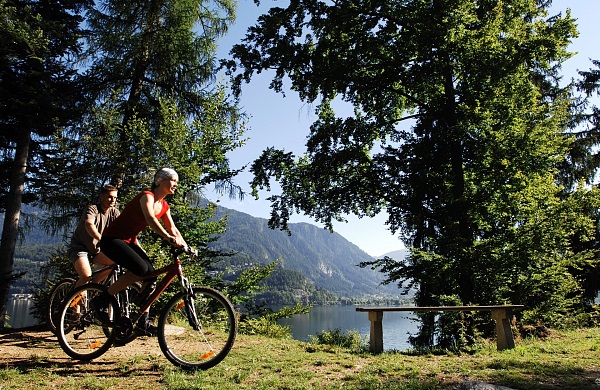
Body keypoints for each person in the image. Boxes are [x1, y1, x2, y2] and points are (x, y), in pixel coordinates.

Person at [91, 167, 187, 336]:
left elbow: (173, 228)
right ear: (160, 180)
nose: (175, 184)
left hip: (128, 241)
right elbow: (150, 219)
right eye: (173, 180)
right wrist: (167, 237)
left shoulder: (164, 206)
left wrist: (186, 246)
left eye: (177, 182)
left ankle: (142, 321)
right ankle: (102, 299)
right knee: (141, 269)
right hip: (112, 239)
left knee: (151, 276)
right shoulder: (147, 196)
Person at [67, 184, 119, 289]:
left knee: (116, 261)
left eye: (115, 198)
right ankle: (74, 301)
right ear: (101, 196)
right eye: (110, 197)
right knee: (86, 276)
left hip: (96, 250)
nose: (112, 200)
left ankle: (94, 287)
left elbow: (123, 229)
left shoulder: (114, 212)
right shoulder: (92, 209)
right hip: (80, 247)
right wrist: (101, 239)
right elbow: (89, 225)